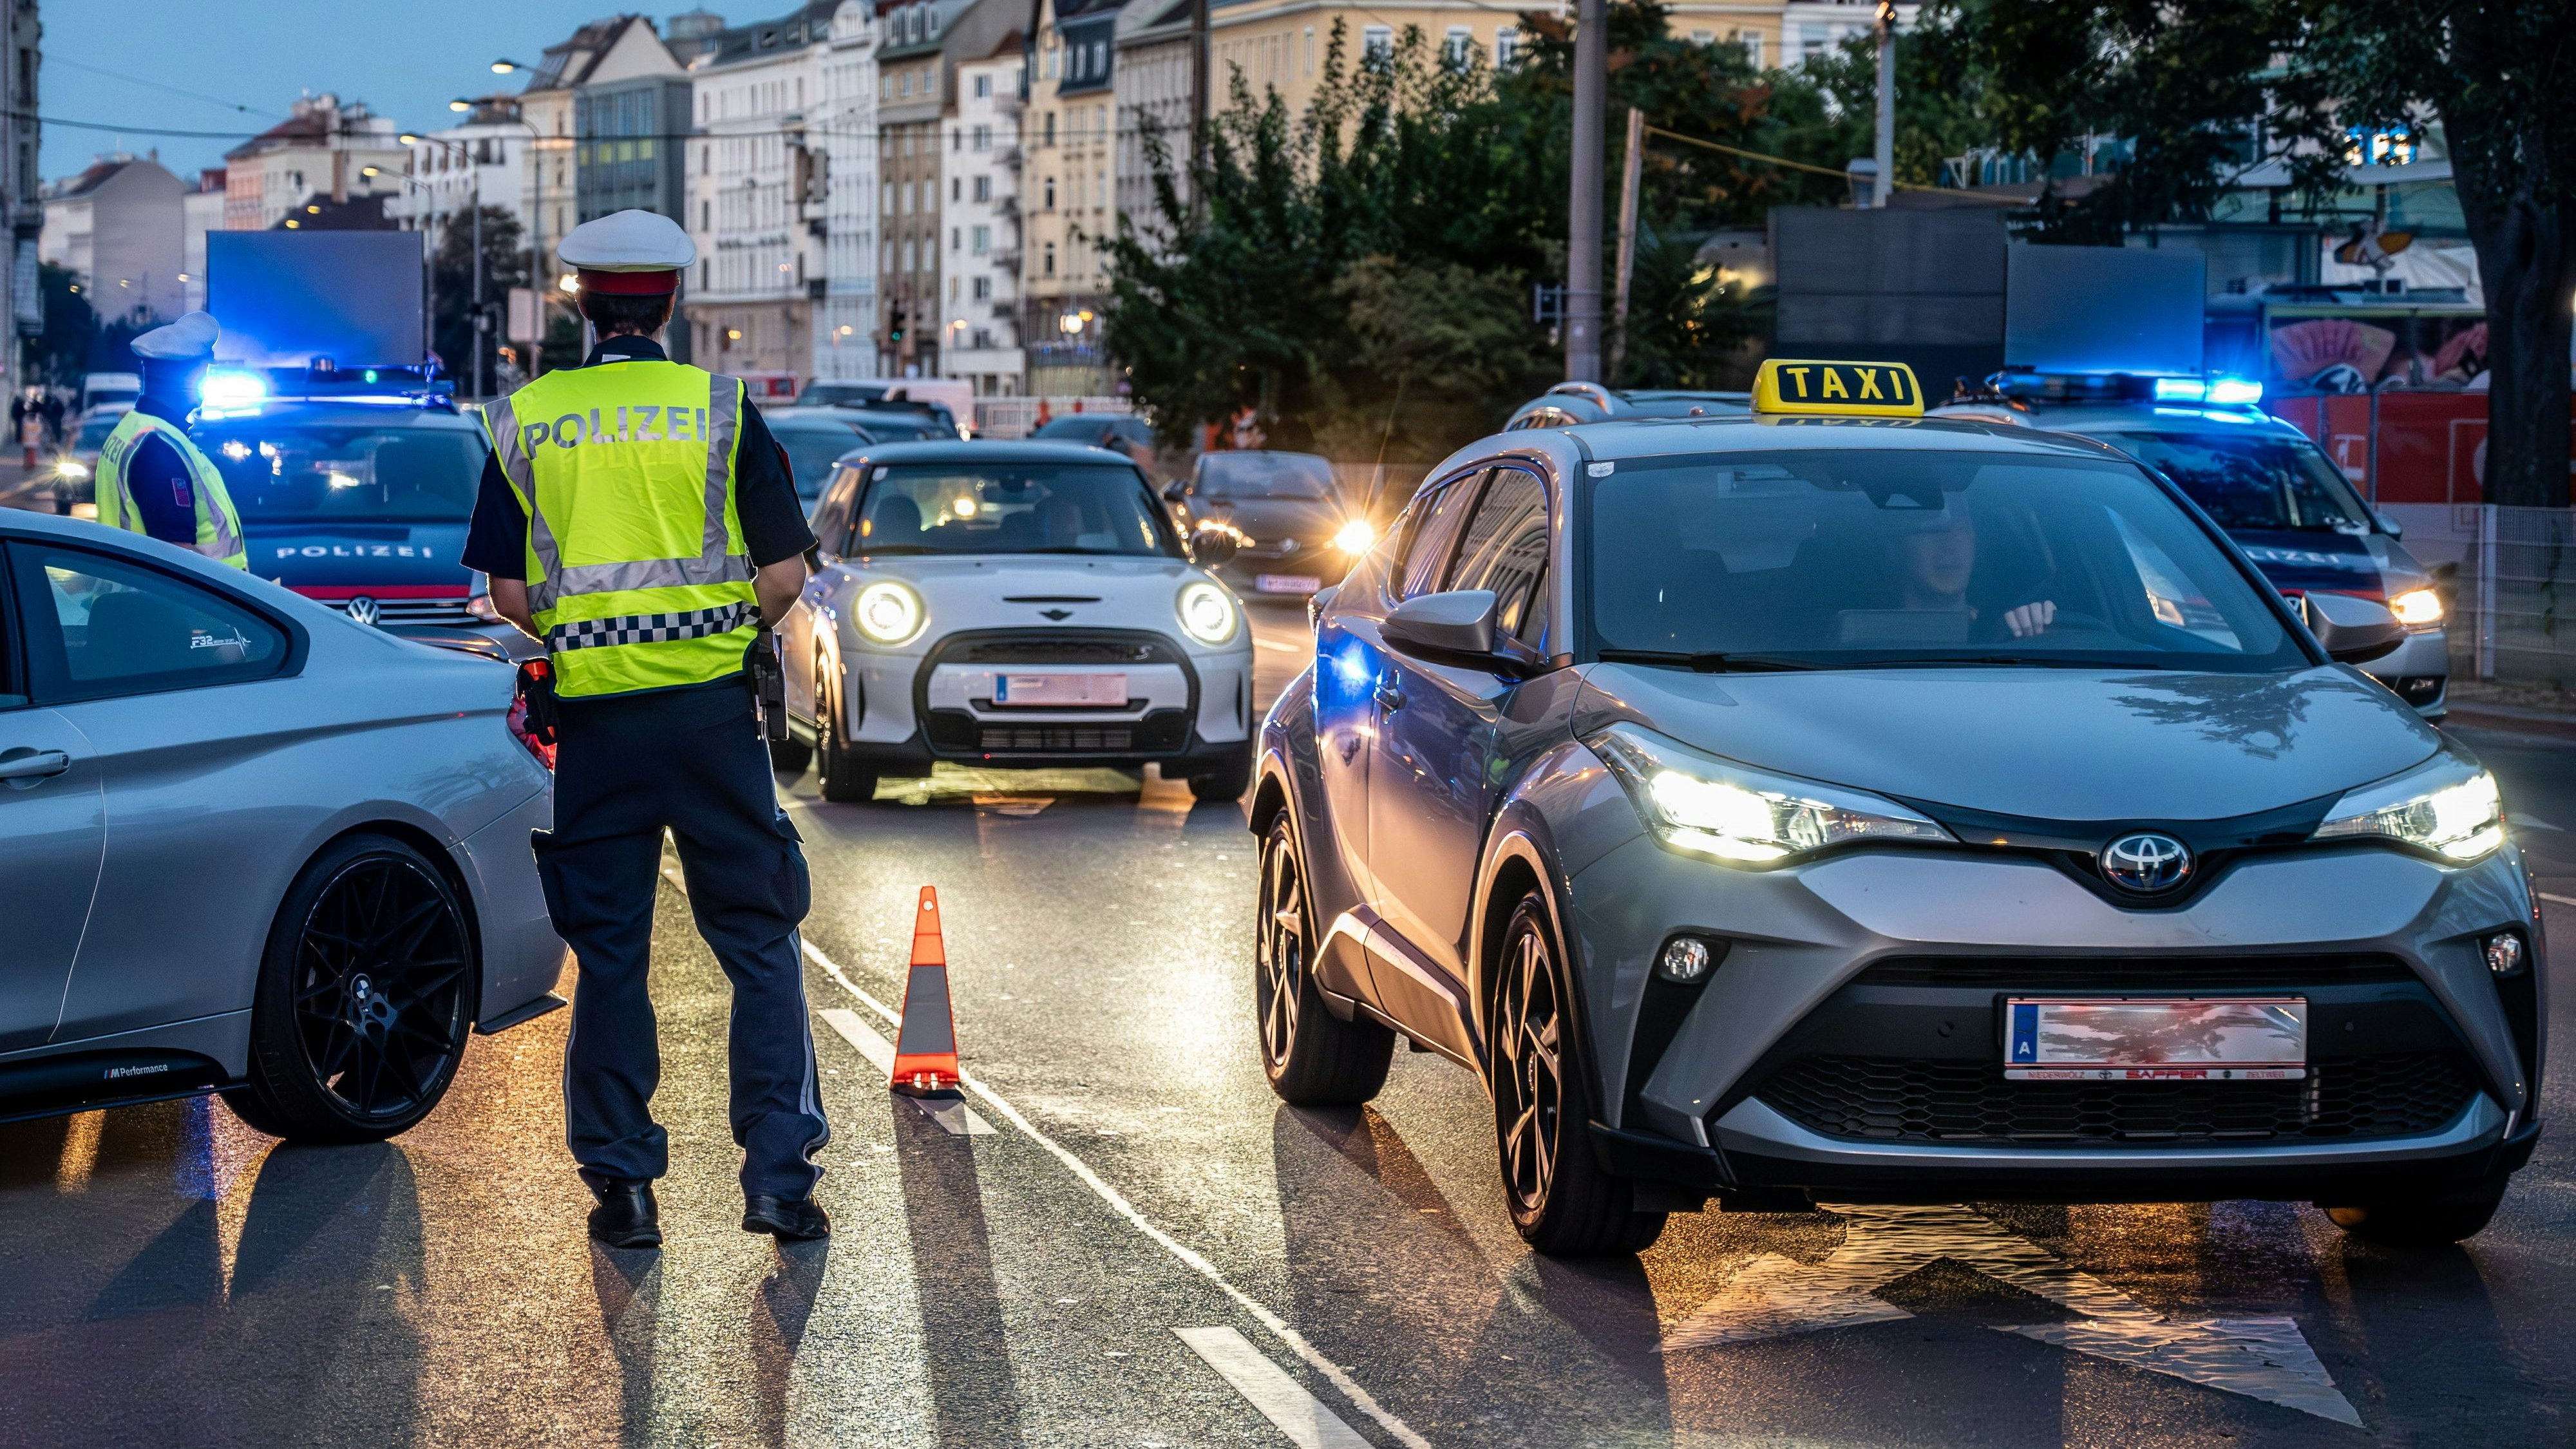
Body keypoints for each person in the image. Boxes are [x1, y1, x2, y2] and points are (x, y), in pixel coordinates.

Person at [463, 209, 830, 1251]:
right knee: (758, 942)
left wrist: (590, 637)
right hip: (713, 723)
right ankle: (779, 1183)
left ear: (581, 303)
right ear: (671, 301)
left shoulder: (527, 418)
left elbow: (507, 595)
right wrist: (722, 629)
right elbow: (785, 574)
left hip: (597, 733)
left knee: (612, 955)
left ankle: (623, 1187)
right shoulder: (719, 409)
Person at [91, 312, 249, 568]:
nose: (207, 382)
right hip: (178, 594)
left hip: (130, 584)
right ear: (180, 379)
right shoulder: (159, 449)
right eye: (203, 372)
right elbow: (177, 556)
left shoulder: (135, 428)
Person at [1888, 501, 2056, 639]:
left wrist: (2041, 623)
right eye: (1932, 529)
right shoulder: (1877, 639)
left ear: (1974, 541)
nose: (1949, 546)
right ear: (1899, 548)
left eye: (1961, 529)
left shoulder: (2005, 633)